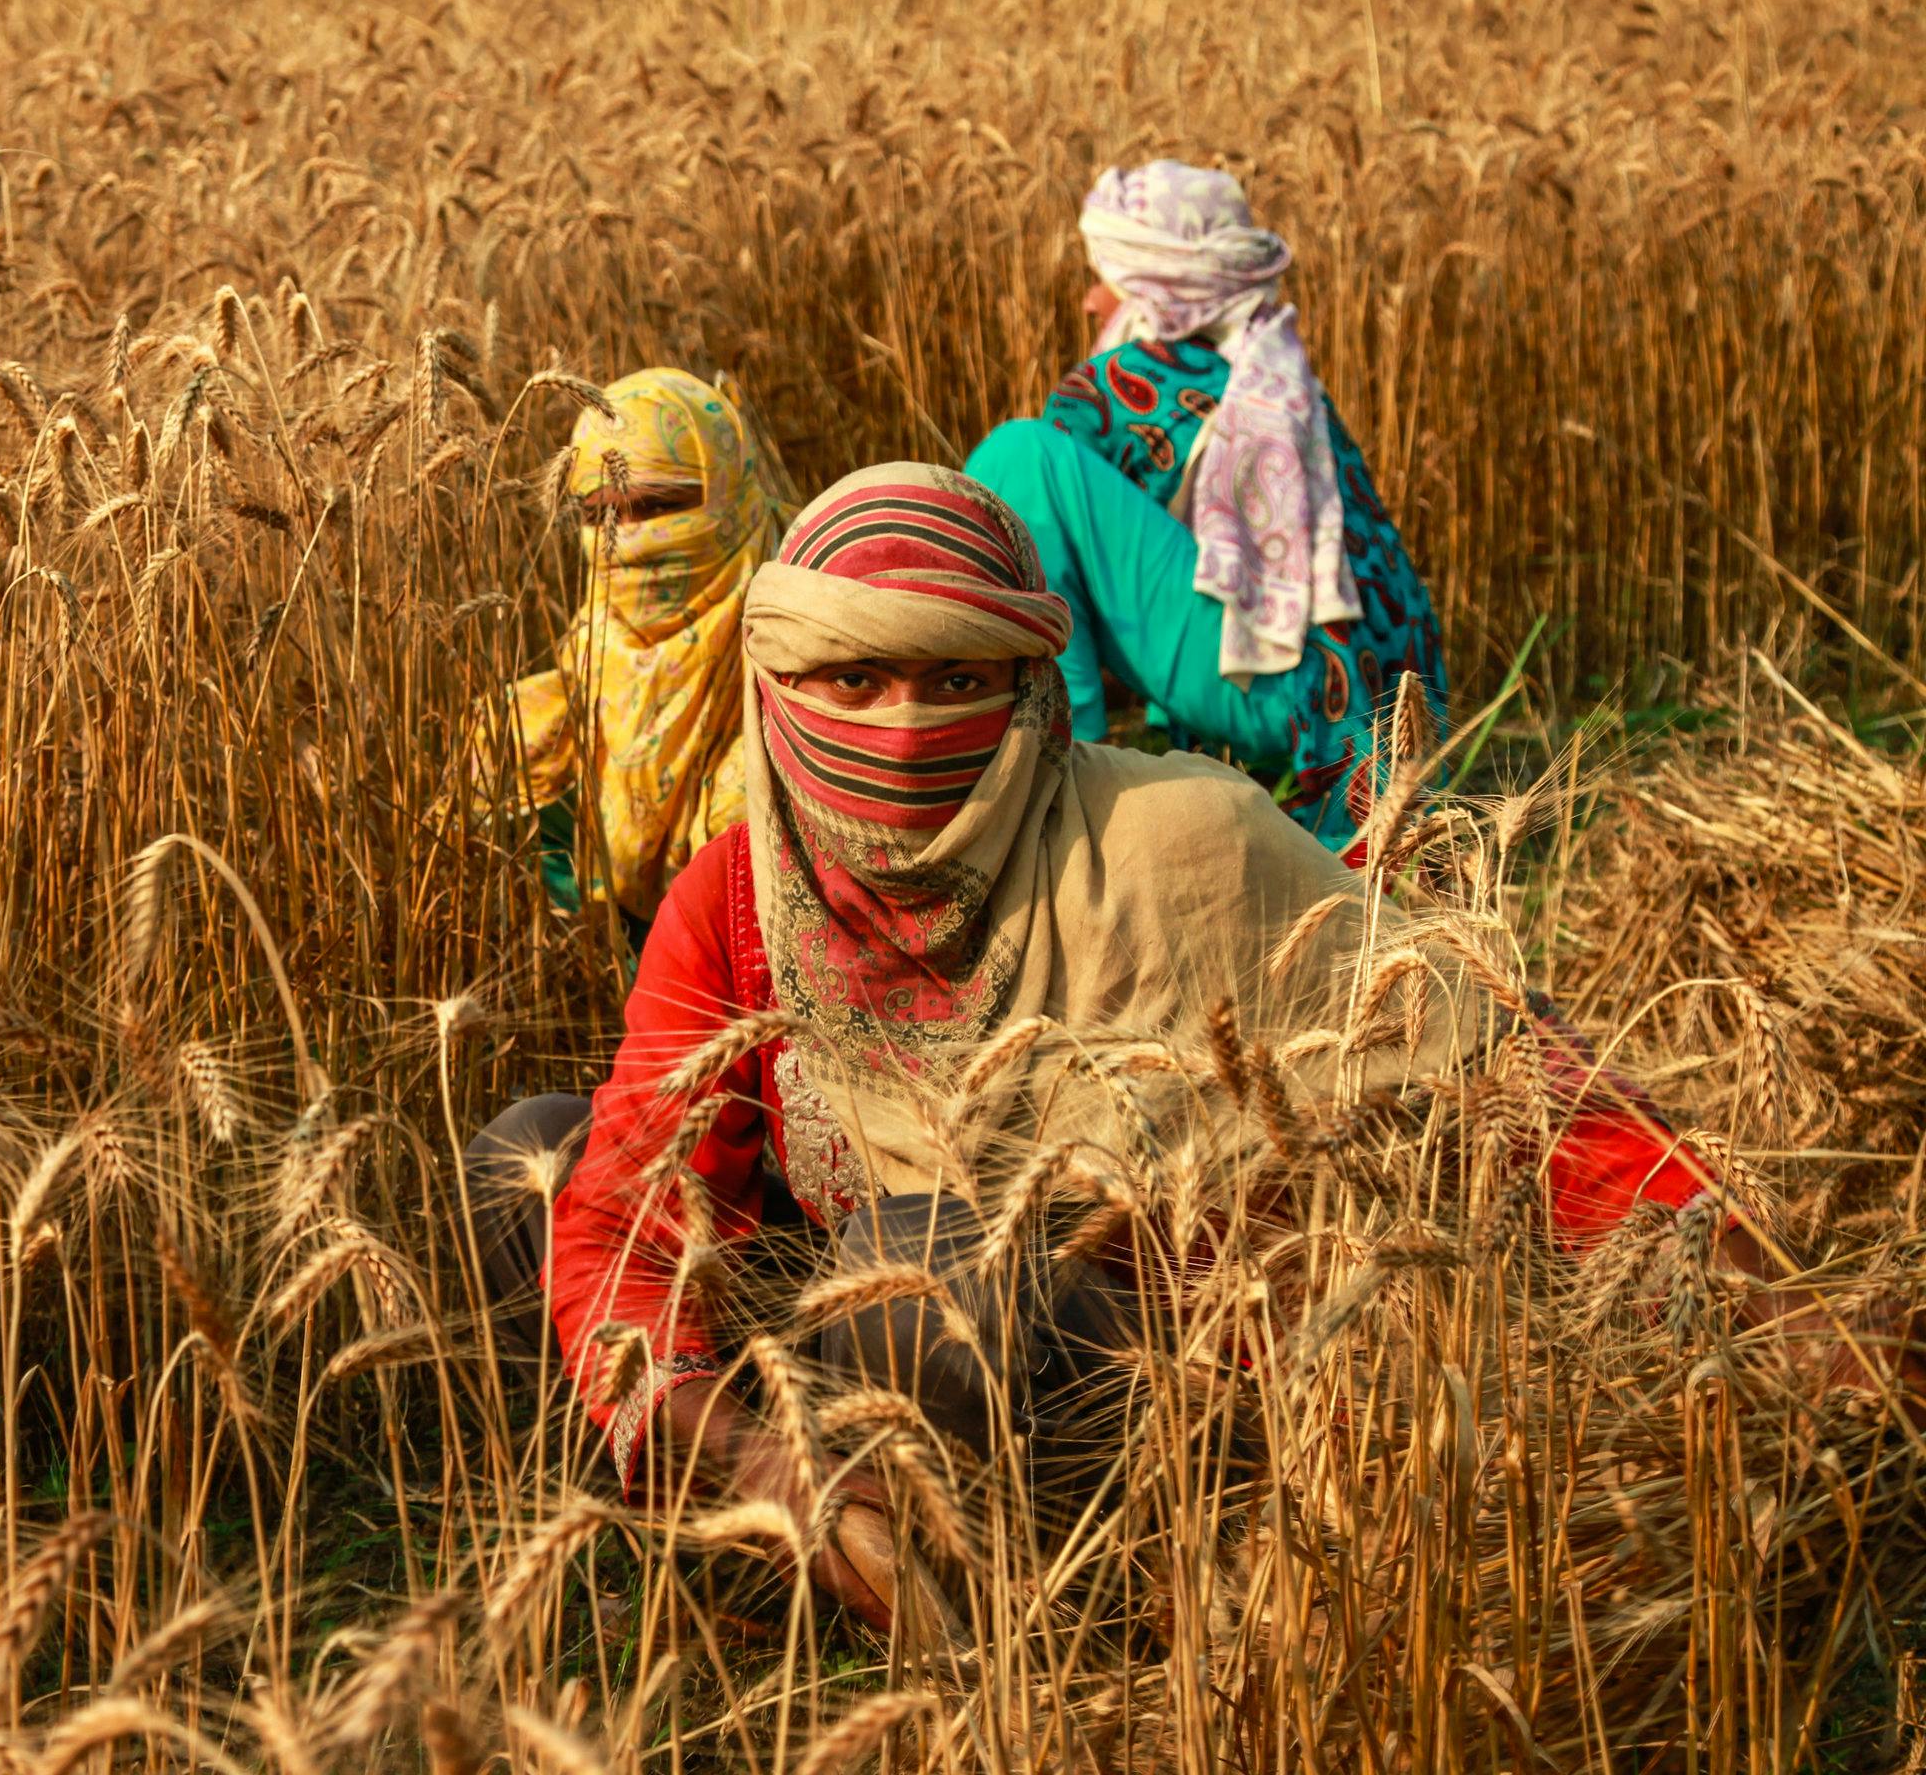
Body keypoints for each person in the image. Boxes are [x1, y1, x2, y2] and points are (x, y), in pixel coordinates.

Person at [468, 462, 1886, 1632]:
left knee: (914, 1288)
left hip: (1167, 1363)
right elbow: (630, 1211)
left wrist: (1754, 1294)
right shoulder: (738, 893)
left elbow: (1492, 1066)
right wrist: (749, 1452)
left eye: (951, 679)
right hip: (853, 1339)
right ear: (780, 686)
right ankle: (801, 1544)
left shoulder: (1179, 841)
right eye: (852, 681)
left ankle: (1088, 1600)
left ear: (1031, 683)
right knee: (531, 1161)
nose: (901, 731)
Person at [962, 163, 1444, 859]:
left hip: (1273, 691)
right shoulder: (1275, 379)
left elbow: (1032, 556)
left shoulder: (1118, 385)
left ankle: (1063, 773)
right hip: (1365, 712)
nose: (1092, 301)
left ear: (1159, 291)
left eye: (1110, 279)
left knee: (1018, 459)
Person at [507, 369, 795, 927]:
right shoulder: (589, 653)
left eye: (660, 507)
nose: (631, 539)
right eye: (602, 515)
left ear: (729, 495)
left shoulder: (804, 636)